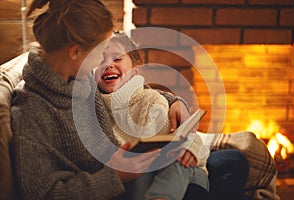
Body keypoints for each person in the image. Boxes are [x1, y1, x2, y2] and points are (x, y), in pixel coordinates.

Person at [10, 1, 188, 199]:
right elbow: (46, 194)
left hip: (130, 174)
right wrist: (116, 176)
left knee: (226, 160)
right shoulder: (30, 114)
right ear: (76, 52)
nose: (103, 62)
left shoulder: (78, 78)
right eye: (101, 53)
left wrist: (174, 102)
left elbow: (124, 96)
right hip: (121, 188)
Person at [94, 32, 211, 200]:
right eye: (100, 60)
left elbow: (173, 142)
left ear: (136, 70)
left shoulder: (152, 101)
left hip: (172, 166)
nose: (108, 65)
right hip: (129, 174)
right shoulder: (89, 107)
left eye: (117, 58)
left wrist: (188, 148)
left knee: (164, 164)